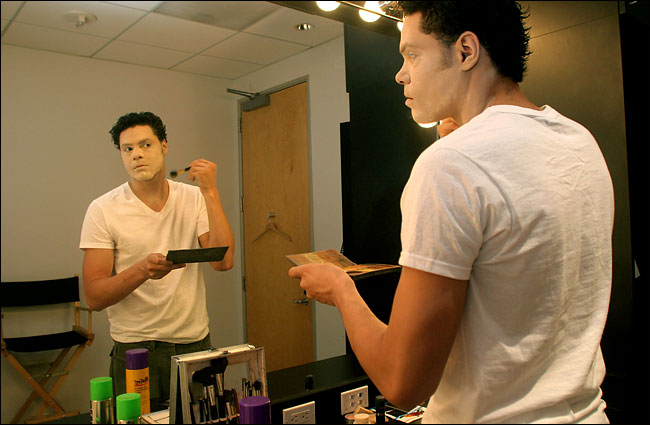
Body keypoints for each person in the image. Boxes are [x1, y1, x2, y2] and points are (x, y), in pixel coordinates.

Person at [289, 1, 614, 423]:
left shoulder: (451, 164)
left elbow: (403, 384)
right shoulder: (579, 141)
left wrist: (341, 290)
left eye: (412, 54)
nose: (401, 74)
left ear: (465, 51)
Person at [80, 111, 235, 405]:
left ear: (164, 146)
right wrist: (142, 271)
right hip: (135, 349)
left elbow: (223, 261)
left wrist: (211, 191)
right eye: (127, 149)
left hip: (194, 344)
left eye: (145, 145)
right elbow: (94, 297)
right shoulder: (103, 209)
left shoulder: (193, 197)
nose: (136, 154)